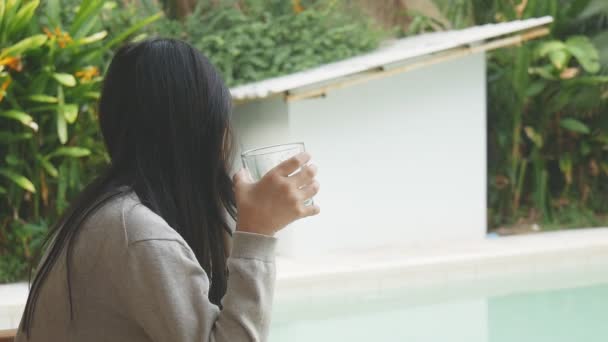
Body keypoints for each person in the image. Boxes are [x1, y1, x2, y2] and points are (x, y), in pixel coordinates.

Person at [15, 38, 320, 342]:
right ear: (203, 129)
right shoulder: (135, 233)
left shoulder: (108, 213)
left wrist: (238, 219)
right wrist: (256, 234)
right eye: (222, 119)